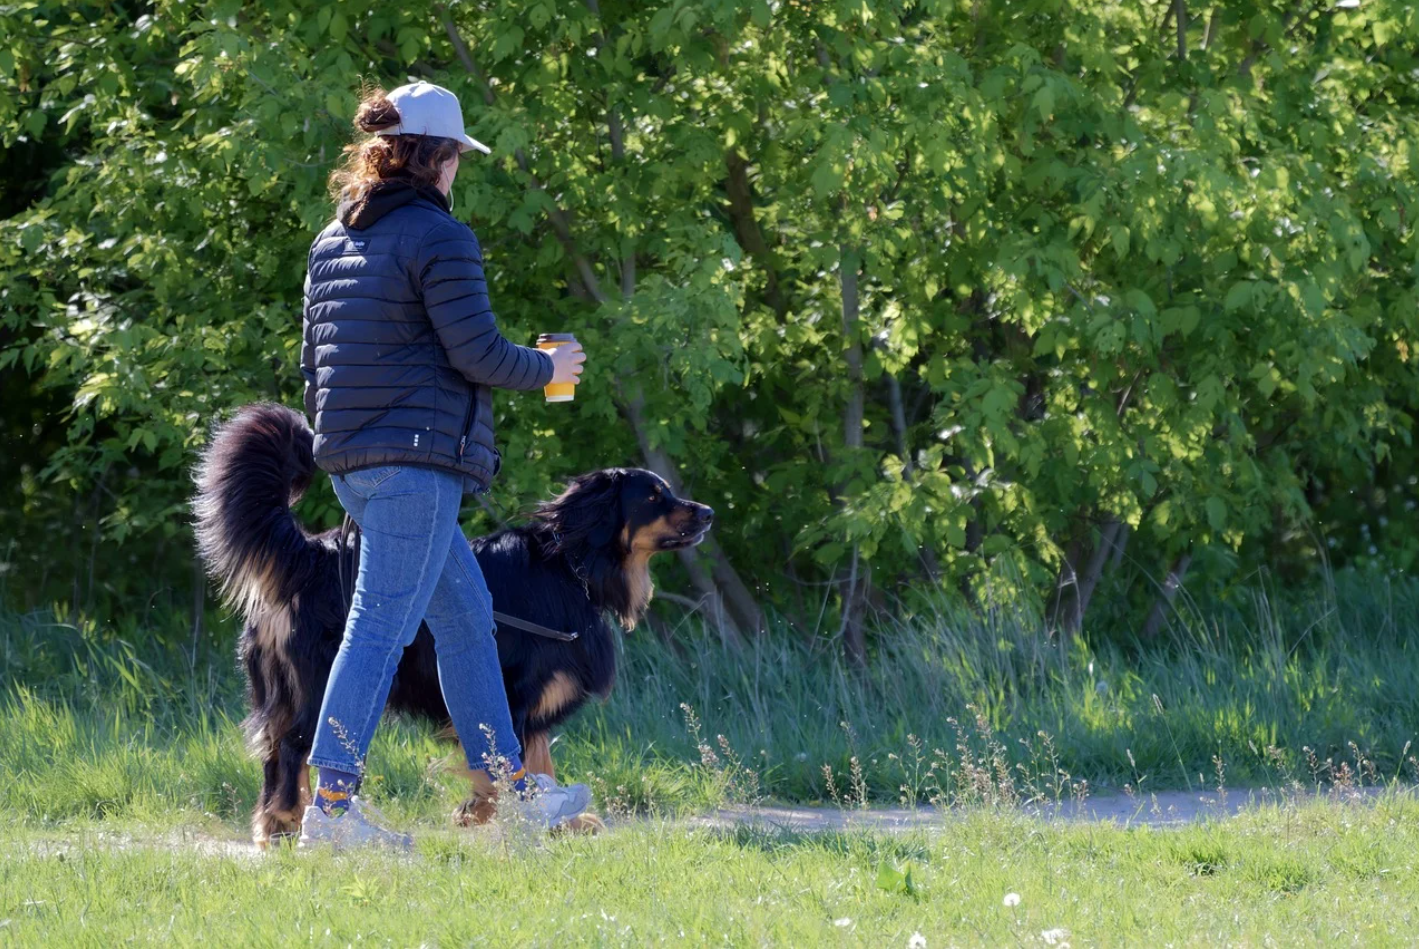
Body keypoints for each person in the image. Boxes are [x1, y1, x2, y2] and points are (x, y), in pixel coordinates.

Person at [296, 81, 589, 849]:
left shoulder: (332, 240)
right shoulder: (439, 237)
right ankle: (330, 808)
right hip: (415, 464)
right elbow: (479, 354)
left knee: (464, 620)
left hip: (354, 461)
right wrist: (550, 369)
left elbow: (311, 365)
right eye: (456, 154)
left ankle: (516, 789)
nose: (459, 168)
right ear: (434, 156)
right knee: (378, 626)